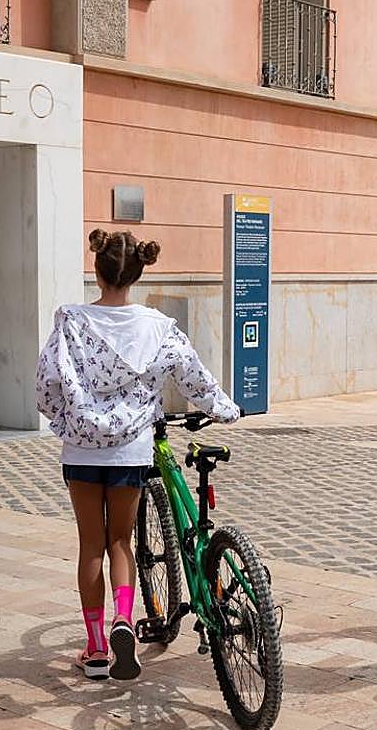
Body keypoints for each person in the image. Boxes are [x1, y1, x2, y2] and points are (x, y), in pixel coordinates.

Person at [36, 229, 240, 681]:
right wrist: (226, 410)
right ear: (138, 273)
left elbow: (47, 383)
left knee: (91, 545)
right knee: (120, 542)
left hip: (82, 450)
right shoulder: (157, 327)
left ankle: (95, 649)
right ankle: (124, 620)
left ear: (97, 271)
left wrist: (64, 418)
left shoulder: (71, 321)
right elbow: (194, 378)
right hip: (130, 451)